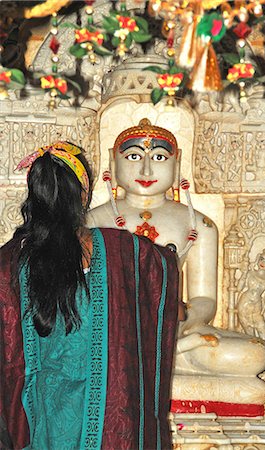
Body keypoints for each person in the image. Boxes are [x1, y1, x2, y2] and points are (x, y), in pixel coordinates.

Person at [0, 141, 179, 450]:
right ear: (83, 195)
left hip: (40, 415)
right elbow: (162, 267)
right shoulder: (125, 252)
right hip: (108, 413)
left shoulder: (9, 262)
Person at [87, 119, 265, 408]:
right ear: (113, 161)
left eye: (159, 157)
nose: (146, 170)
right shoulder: (91, 222)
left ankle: (149, 369)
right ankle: (153, 370)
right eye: (133, 156)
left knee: (254, 354)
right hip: (112, 333)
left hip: (175, 332)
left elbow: (203, 298)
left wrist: (188, 327)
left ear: (177, 163)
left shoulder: (199, 224)